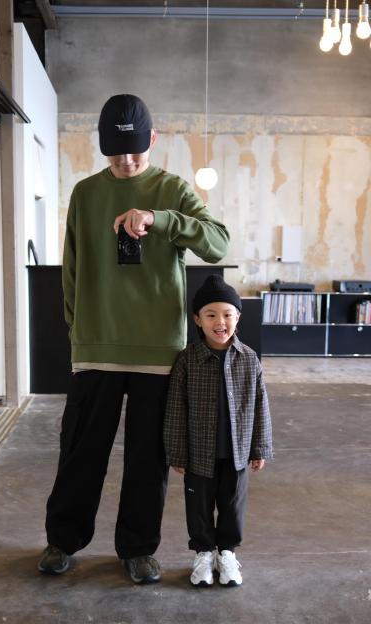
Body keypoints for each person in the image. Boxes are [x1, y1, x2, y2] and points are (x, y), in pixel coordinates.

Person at [37, 94, 230, 583]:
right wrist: (78, 330)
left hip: (158, 351)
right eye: (116, 151)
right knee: (80, 451)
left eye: (135, 151)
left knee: (149, 458)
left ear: (153, 140)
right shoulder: (86, 193)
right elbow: (72, 268)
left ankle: (138, 548)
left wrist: (160, 219)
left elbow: (219, 242)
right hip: (97, 346)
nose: (125, 161)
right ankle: (63, 540)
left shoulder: (171, 189)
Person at [163, 274, 273, 587]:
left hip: (236, 453)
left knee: (232, 505)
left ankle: (227, 553)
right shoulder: (188, 360)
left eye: (227, 314)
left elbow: (261, 405)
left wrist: (259, 448)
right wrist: (177, 452)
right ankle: (203, 553)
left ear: (238, 317)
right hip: (199, 453)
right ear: (197, 320)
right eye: (211, 315)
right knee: (198, 506)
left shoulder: (248, 359)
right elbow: (175, 409)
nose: (220, 322)